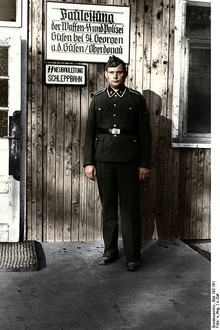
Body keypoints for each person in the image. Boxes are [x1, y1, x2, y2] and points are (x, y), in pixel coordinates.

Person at [84, 55, 152, 271]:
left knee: (130, 208)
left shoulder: (135, 99)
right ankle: (110, 251)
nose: (115, 76)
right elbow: (89, 133)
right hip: (103, 160)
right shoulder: (97, 99)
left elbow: (144, 134)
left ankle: (133, 256)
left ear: (125, 74)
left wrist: (144, 164)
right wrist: (88, 162)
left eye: (119, 72)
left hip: (129, 161)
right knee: (109, 207)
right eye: (111, 72)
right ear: (106, 74)